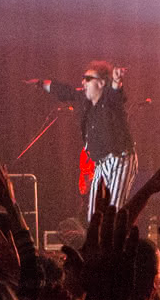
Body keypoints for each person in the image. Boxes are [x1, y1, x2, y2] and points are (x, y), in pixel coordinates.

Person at [34, 61, 136, 216]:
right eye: (83, 78)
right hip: (101, 163)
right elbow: (64, 91)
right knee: (93, 214)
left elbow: (116, 94)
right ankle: (96, 237)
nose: (83, 82)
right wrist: (40, 83)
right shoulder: (84, 100)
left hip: (120, 159)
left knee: (113, 209)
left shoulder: (109, 99)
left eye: (88, 79)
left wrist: (116, 81)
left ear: (101, 83)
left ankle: (115, 237)